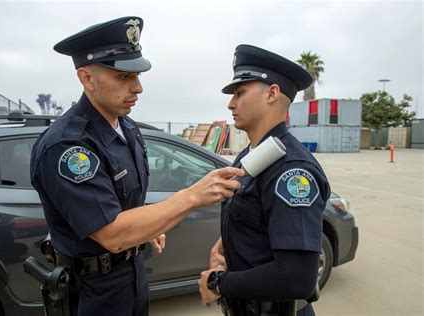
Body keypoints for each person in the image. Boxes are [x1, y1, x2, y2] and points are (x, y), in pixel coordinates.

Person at [30, 16, 244, 316]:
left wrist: (146, 228)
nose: (138, 87)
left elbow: (123, 203)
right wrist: (191, 195)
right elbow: (112, 234)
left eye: (138, 75)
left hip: (132, 277)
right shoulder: (69, 147)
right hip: (93, 292)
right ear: (87, 79)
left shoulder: (127, 129)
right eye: (123, 77)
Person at [198, 44, 331, 316]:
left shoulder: (292, 171)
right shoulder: (251, 155)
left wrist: (218, 283)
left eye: (240, 93)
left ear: (272, 93)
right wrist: (226, 244)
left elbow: (297, 277)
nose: (230, 103)